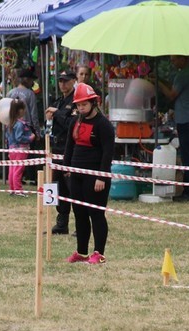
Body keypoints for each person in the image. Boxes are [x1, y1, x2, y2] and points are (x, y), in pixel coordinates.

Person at [63, 83, 116, 264]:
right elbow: (69, 147)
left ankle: (98, 253)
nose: (81, 108)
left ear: (94, 103)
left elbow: (107, 153)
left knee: (96, 214)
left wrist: (101, 176)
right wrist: (67, 168)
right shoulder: (75, 121)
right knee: (79, 213)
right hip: (76, 175)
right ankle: (82, 252)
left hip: (95, 177)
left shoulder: (104, 125)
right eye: (78, 105)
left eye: (84, 104)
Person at [153, 55, 189, 201]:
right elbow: (177, 88)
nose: (172, 62)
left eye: (174, 59)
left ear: (183, 59)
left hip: (186, 120)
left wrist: (157, 83)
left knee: (188, 158)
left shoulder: (183, 74)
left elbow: (171, 94)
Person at [45, 69, 78, 234]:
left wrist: (57, 114)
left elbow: (72, 124)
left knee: (74, 187)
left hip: (69, 150)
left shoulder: (77, 101)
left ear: (73, 81)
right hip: (56, 149)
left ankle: (81, 225)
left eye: (66, 80)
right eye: (60, 81)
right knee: (59, 188)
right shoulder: (58, 101)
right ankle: (62, 223)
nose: (62, 84)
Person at [6, 99, 35, 196]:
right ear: (20, 110)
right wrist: (30, 138)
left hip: (12, 149)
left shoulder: (10, 123)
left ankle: (12, 189)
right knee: (18, 169)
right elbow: (19, 138)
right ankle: (18, 189)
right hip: (20, 149)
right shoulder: (20, 124)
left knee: (12, 169)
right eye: (23, 108)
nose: (25, 111)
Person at [7, 68, 40, 138]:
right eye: (32, 80)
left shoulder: (10, 93)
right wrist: (37, 131)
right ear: (27, 80)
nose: (32, 83)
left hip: (12, 127)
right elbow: (33, 114)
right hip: (26, 128)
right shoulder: (30, 94)